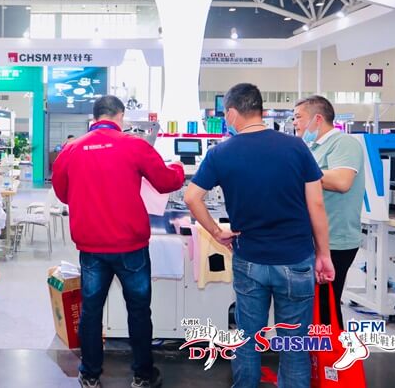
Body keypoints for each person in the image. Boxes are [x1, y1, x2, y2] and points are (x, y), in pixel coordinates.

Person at [184, 83, 335, 388]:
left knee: (247, 340)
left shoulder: (220, 152)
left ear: (231, 113)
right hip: (296, 259)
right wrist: (324, 254)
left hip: (249, 258)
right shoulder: (296, 147)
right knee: (294, 345)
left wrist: (217, 232)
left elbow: (191, 197)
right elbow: (316, 204)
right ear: (261, 110)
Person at [52, 95, 185, 388]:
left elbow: (62, 192)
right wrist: (177, 166)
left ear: (95, 116)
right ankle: (142, 375)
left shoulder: (72, 149)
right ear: (120, 116)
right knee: (138, 310)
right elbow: (166, 181)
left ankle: (90, 375)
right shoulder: (134, 145)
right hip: (130, 245)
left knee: (91, 311)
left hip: (91, 246)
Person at [293, 95, 364, 327]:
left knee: (326, 306)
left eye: (298, 117)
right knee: (315, 305)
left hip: (336, 240)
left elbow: (342, 181)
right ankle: (316, 349)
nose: (294, 123)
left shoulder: (343, 143)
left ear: (318, 119)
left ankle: (331, 350)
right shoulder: (312, 148)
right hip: (315, 239)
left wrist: (299, 168)